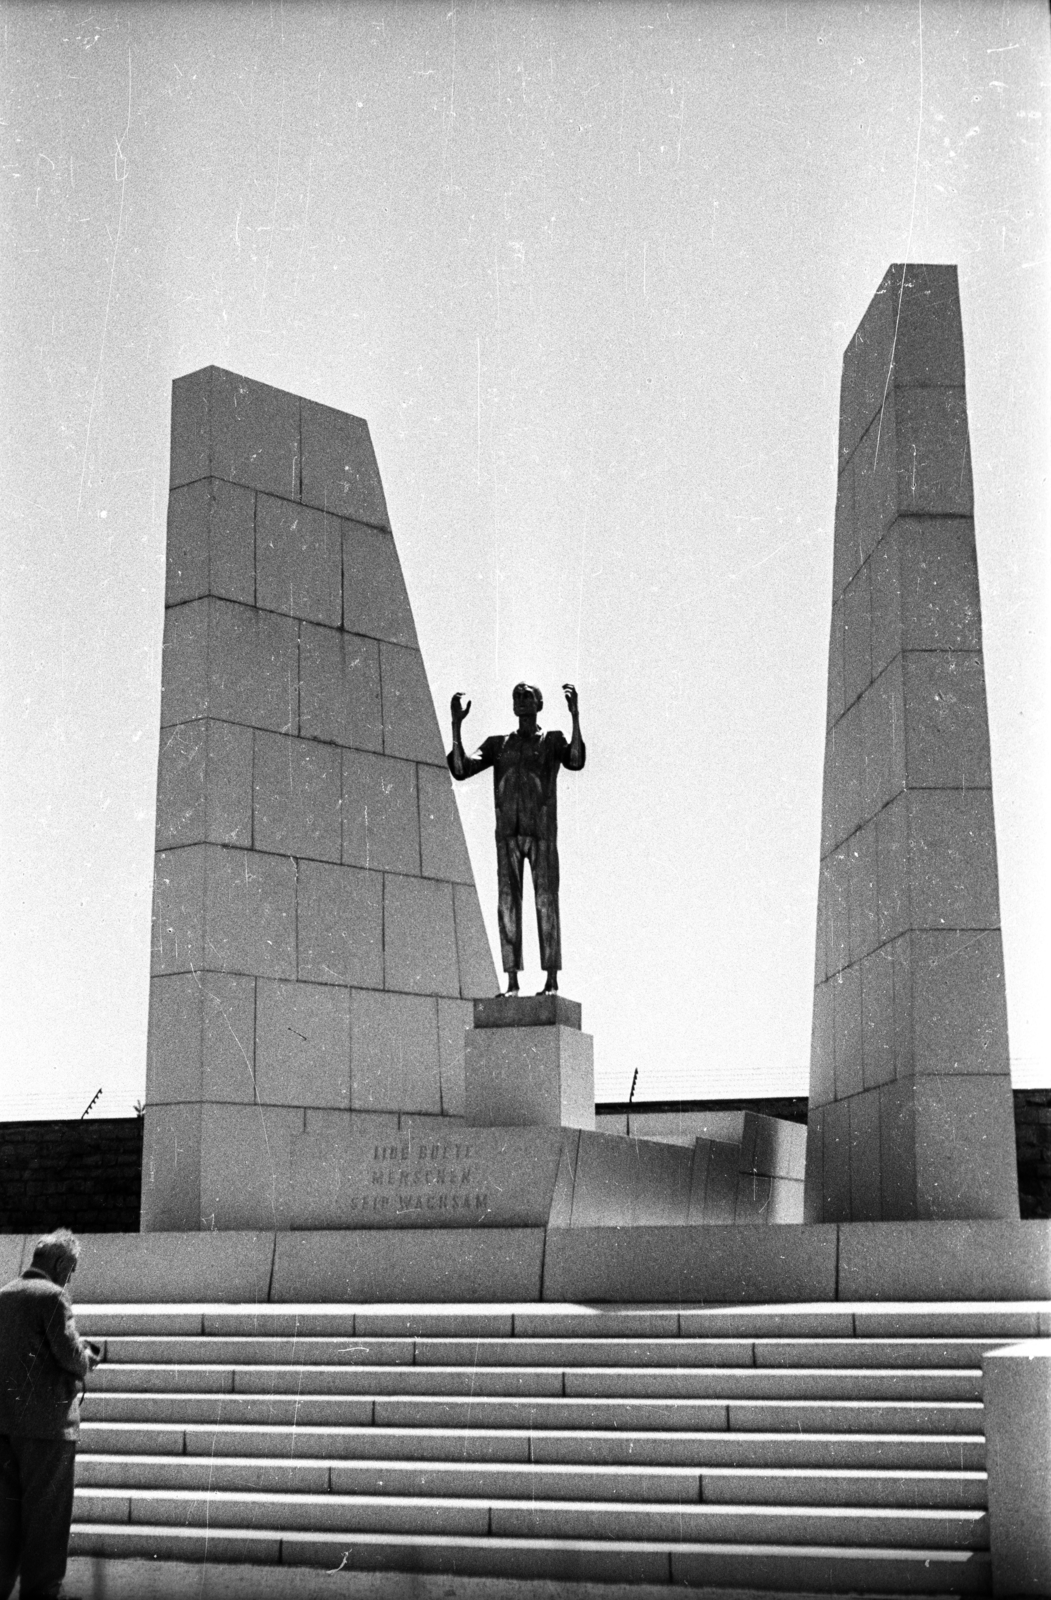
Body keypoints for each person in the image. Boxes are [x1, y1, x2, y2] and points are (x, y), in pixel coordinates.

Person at [448, 681, 585, 995]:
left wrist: (575, 718)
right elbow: (461, 769)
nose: (521, 700)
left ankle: (551, 980)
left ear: (539, 703)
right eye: (517, 696)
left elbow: (575, 760)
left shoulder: (552, 740)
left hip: (542, 835)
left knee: (546, 902)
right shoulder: (499, 745)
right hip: (507, 835)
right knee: (508, 905)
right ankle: (511, 982)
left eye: (527, 696)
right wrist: (456, 727)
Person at [0, 1229, 101, 1600]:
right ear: (60, 1263)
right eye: (70, 1269)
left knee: (5, 1521)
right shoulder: (54, 1297)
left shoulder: (4, 1294)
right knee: (47, 1522)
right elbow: (70, 1355)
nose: (69, 1277)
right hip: (47, 1429)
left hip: (4, 1424)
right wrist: (90, 1355)